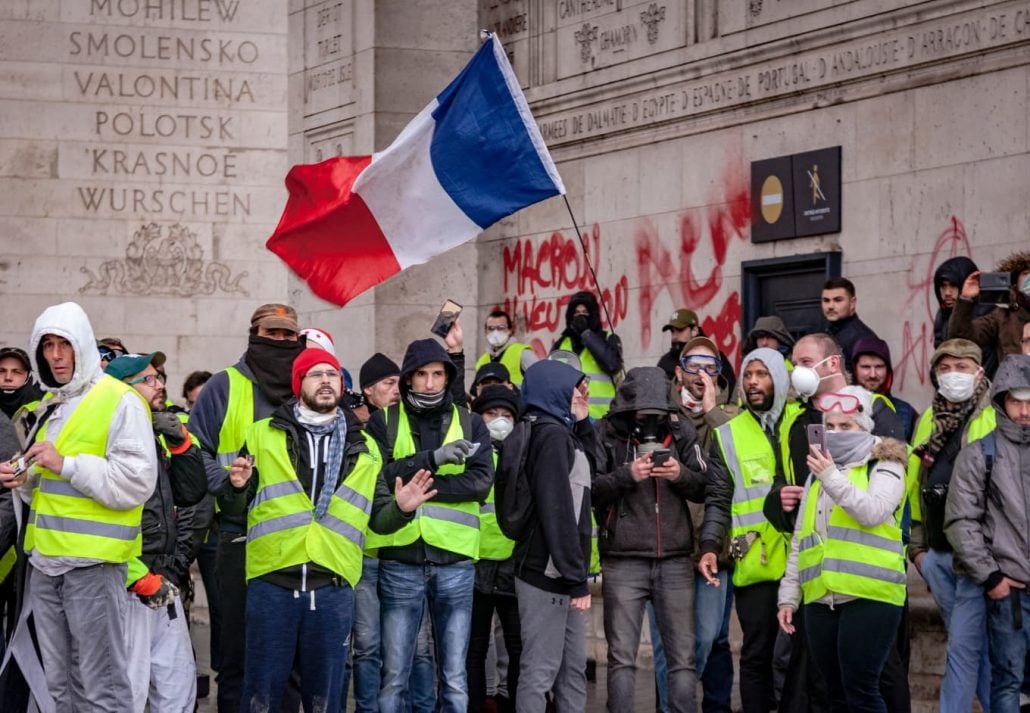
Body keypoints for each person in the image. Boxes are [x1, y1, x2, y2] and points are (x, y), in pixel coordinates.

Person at [216, 348, 432, 712]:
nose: (326, 381)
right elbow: (235, 510)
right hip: (272, 583)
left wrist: (401, 510)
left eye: (332, 375)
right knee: (261, 696)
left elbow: (377, 519)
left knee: (326, 698)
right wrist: (235, 488)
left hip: (332, 588)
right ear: (299, 383)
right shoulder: (261, 435)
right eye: (316, 374)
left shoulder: (364, 447)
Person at [0, 302, 157, 711]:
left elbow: (137, 482)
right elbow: (47, 491)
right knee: (60, 683)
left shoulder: (120, 401)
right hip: (47, 563)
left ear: (83, 346)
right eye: (47, 345)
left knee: (102, 683)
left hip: (94, 565)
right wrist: (24, 481)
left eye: (64, 344)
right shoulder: (50, 405)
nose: (55, 355)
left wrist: (66, 465)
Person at [187, 303, 306, 713]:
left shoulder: (306, 388)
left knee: (291, 660)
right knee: (236, 655)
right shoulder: (224, 386)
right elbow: (194, 452)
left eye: (288, 335)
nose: (280, 341)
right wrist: (228, 486)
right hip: (236, 538)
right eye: (271, 334)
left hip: (295, 541)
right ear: (254, 335)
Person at [365, 338, 492, 713]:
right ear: (407, 380)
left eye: (438, 374)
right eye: (422, 375)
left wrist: (423, 490)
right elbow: (379, 479)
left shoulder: (470, 421)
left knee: (454, 678)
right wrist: (432, 459)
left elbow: (481, 481)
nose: (431, 383)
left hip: (454, 561)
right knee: (395, 676)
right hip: (400, 559)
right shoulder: (383, 421)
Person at [777, 386, 908, 713]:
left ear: (864, 427)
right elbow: (800, 539)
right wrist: (789, 596)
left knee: (861, 689)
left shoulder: (886, 464)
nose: (836, 433)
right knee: (833, 692)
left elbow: (872, 511)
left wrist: (831, 476)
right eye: (830, 426)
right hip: (821, 596)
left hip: (871, 594)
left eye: (846, 426)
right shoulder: (818, 474)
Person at [592, 366, 715, 712]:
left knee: (682, 658)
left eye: (657, 415)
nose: (650, 422)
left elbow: (705, 487)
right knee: (621, 659)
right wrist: (627, 475)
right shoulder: (608, 433)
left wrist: (679, 474)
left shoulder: (681, 430)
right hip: (623, 559)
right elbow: (592, 491)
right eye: (642, 415)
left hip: (675, 558)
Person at [106, 352, 208, 712]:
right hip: (125, 583)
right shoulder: (107, 435)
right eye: (148, 380)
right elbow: (102, 519)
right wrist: (137, 575)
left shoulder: (159, 428)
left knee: (177, 688)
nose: (160, 385)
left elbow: (193, 493)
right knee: (126, 692)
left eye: (159, 377)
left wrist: (181, 443)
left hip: (164, 579)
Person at [702, 347, 796, 713]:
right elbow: (718, 498)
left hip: (801, 560)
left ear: (780, 378)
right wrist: (710, 545)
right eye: (749, 374)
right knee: (757, 654)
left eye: (762, 374)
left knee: (796, 656)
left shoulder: (800, 423)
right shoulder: (728, 433)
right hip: (755, 562)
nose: (753, 381)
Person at [908, 338, 995, 713]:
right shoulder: (929, 417)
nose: (953, 375)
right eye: (945, 368)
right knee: (976, 647)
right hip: (938, 556)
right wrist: (918, 550)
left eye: (962, 367)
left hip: (976, 558)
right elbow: (914, 483)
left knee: (962, 647)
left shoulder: (994, 415)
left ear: (979, 372)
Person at [945, 354, 1030, 713]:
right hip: (1008, 592)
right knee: (1008, 682)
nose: (1024, 411)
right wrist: (993, 577)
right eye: (1016, 401)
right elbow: (961, 520)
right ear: (1001, 402)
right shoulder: (981, 452)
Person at [514, 359, 597, 713]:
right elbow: (558, 511)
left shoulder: (562, 433)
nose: (582, 395)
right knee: (541, 671)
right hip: (546, 573)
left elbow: (593, 468)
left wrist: (583, 423)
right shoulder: (550, 437)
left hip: (562, 571)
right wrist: (576, 579)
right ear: (555, 389)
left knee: (572, 670)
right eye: (576, 388)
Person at [674, 336, 736, 712]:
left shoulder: (731, 413)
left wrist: (713, 410)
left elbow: (733, 460)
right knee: (676, 644)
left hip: (717, 543)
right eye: (693, 364)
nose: (702, 373)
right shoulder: (663, 410)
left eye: (710, 366)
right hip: (674, 546)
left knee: (712, 636)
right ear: (680, 371)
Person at [467, 384, 523, 713]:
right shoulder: (471, 453)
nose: (499, 421)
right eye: (491, 414)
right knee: (473, 650)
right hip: (475, 564)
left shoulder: (524, 451)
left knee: (517, 648)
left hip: (513, 565)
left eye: (506, 415)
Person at [950, 250, 1030, 366]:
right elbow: (961, 338)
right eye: (1026, 273)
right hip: (1014, 382)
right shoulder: (1002, 317)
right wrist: (965, 299)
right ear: (1015, 283)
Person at [551, 291, 622, 419]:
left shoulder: (609, 338)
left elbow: (612, 365)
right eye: (577, 313)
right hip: (568, 417)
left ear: (593, 315)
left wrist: (586, 334)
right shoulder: (561, 344)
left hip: (602, 418)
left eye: (585, 312)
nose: (580, 316)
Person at [852, 337, 920, 441]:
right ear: (855, 369)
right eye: (866, 367)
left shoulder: (906, 412)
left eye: (879, 367)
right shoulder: (840, 408)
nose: (873, 375)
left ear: (888, 370)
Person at [821, 277, 879, 374]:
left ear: (852, 303)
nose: (830, 306)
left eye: (838, 300)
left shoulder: (863, 338)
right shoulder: (827, 333)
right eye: (826, 300)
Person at [476, 310, 537, 387]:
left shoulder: (522, 353)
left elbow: (541, 380)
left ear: (510, 330)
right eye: (491, 328)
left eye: (501, 328)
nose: (495, 333)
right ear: (485, 332)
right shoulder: (482, 361)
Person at [0, 347, 43, 421]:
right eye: (1, 371)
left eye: (17, 372)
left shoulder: (45, 406)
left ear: (28, 375)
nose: (8, 378)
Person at [657, 309, 702, 378]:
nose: (674, 336)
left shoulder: (713, 358)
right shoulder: (665, 362)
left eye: (680, 330)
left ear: (694, 331)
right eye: (672, 331)